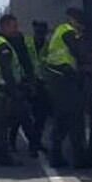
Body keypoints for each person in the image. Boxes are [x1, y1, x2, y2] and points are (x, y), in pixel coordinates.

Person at [0, 14, 41, 166]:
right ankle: (4, 154)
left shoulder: (2, 41)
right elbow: (4, 70)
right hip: (6, 90)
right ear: (4, 26)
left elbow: (25, 62)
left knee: (4, 122)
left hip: (1, 89)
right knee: (8, 122)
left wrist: (31, 81)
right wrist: (15, 91)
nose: (17, 30)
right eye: (13, 26)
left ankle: (5, 152)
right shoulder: (2, 44)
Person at [42, 8, 88, 168]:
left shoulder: (61, 30)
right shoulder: (68, 32)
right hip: (63, 79)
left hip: (57, 78)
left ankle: (56, 156)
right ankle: (79, 159)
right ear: (73, 20)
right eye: (80, 21)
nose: (81, 25)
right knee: (74, 118)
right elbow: (80, 54)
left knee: (62, 117)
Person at [22, 20, 53, 148]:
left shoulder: (49, 45)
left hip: (42, 84)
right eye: (38, 31)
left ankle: (35, 143)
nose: (40, 34)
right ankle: (17, 141)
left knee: (41, 116)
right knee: (23, 116)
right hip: (27, 82)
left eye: (42, 32)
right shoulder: (27, 42)